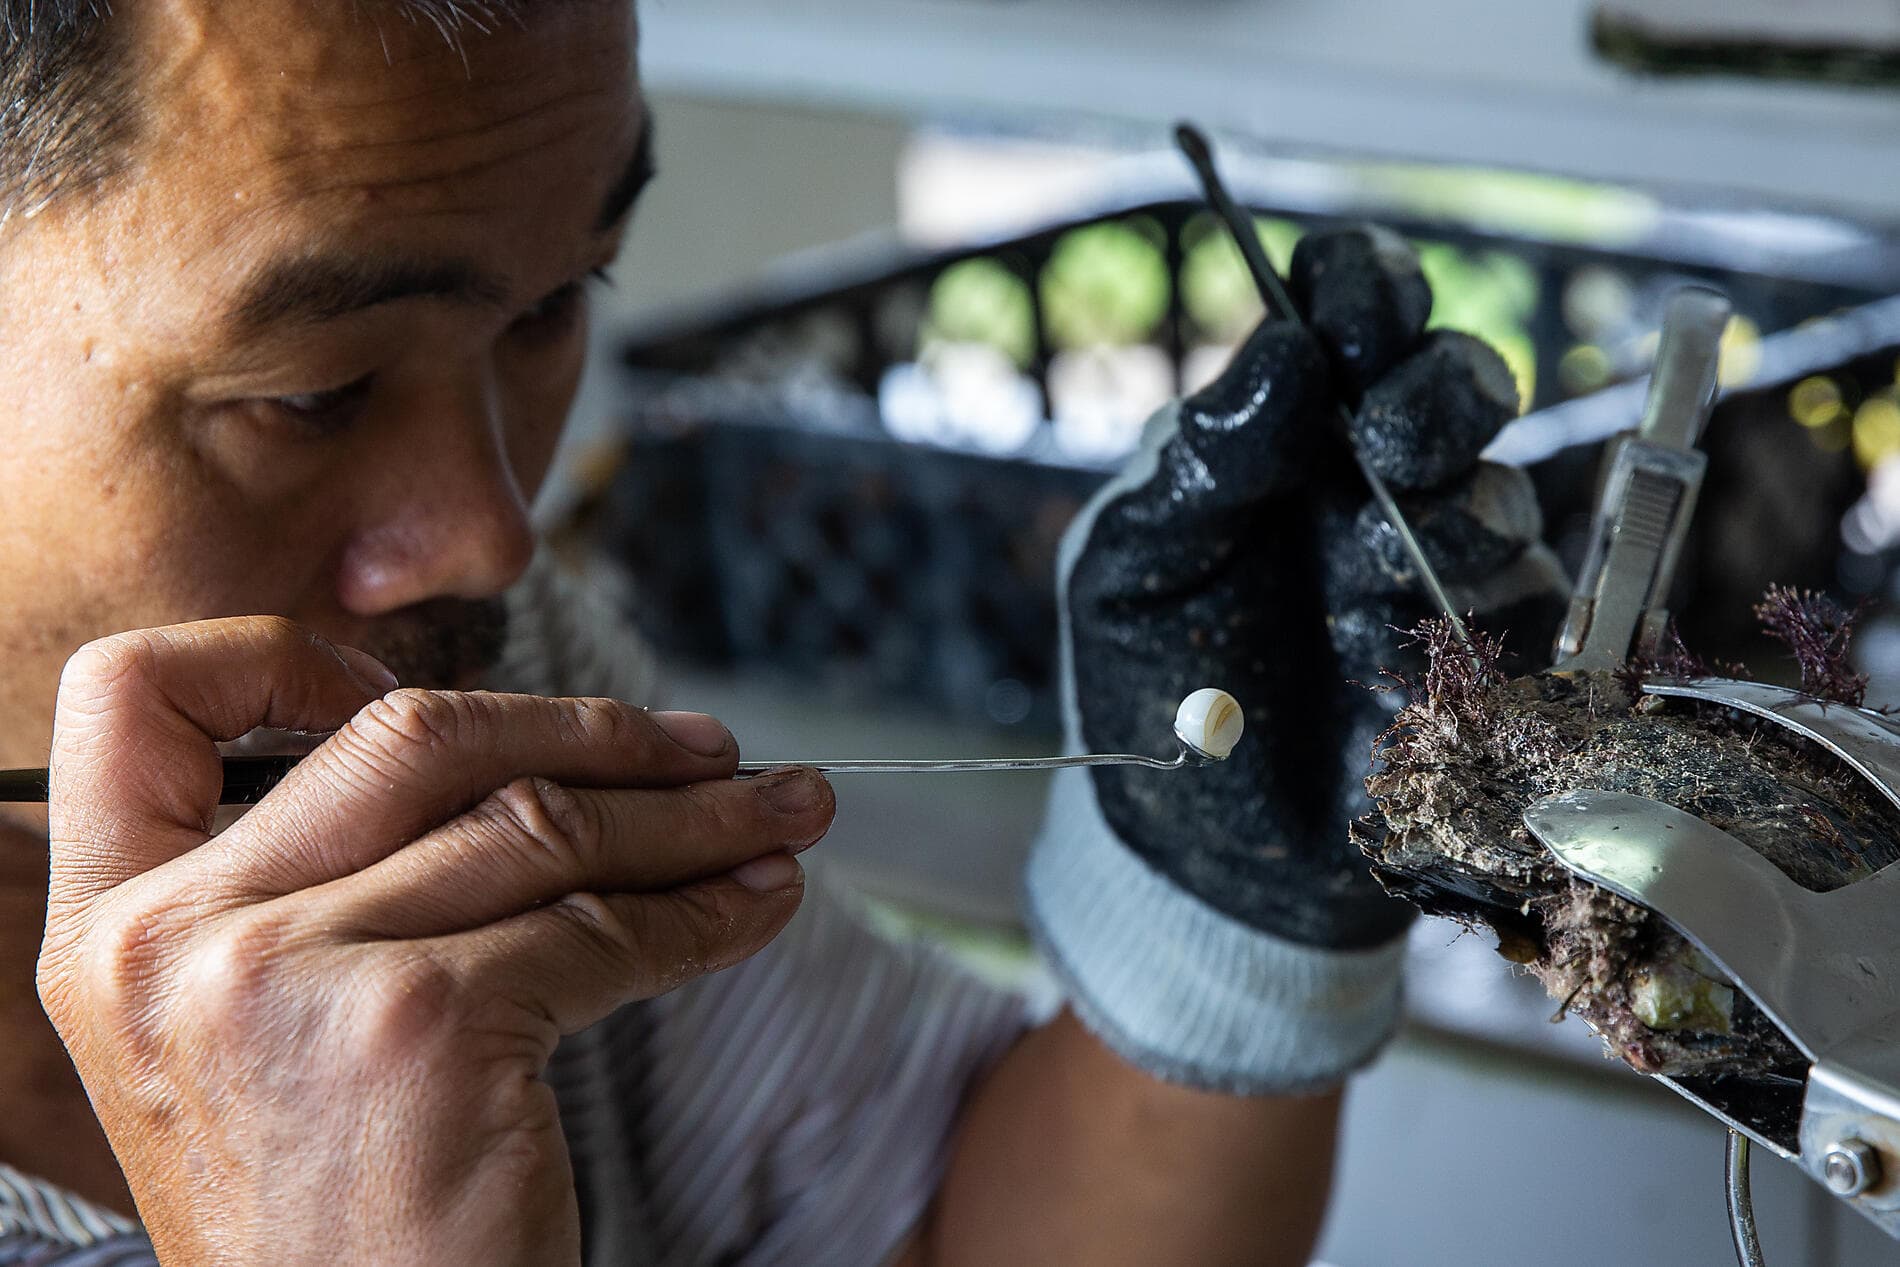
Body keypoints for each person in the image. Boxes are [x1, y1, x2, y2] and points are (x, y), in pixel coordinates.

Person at [0, 2, 1565, 1263]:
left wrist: (1217, 929)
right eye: (313, 394)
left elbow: (949, 1236)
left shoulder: (441, 674)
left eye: (554, 305)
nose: (492, 535)